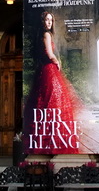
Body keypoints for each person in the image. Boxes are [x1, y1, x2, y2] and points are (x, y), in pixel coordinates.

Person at [24, 11, 81, 153]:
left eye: (51, 20)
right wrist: (57, 62)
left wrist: (57, 60)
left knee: (45, 101)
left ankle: (48, 137)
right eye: (46, 20)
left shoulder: (42, 35)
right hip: (49, 69)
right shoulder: (46, 34)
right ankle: (55, 137)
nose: (49, 22)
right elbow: (50, 54)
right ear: (42, 21)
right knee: (55, 101)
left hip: (44, 70)